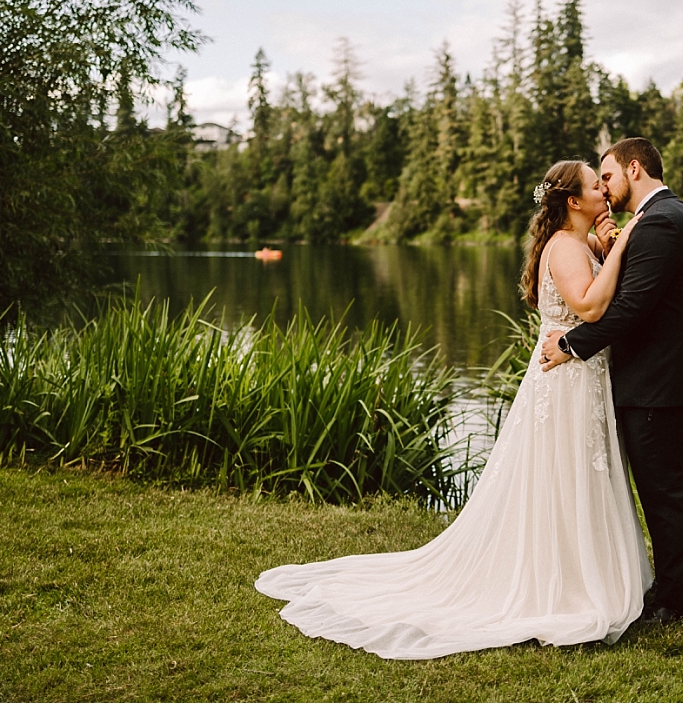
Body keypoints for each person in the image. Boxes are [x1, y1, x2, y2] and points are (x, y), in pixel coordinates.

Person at [255, 160, 650, 660]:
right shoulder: (567, 247)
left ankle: (580, 570)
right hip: (566, 381)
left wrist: (611, 239)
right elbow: (590, 307)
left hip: (578, 375)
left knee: (574, 474)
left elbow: (603, 274)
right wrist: (629, 235)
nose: (606, 191)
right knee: (563, 473)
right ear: (573, 201)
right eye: (597, 186)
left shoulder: (581, 241)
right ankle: (563, 583)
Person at [540, 137, 683, 625]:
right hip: (668, 377)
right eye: (597, 181)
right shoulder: (672, 214)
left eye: (609, 176)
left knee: (666, 492)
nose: (605, 186)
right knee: (667, 489)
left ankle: (680, 599)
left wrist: (572, 346)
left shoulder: (661, 221)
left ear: (634, 169)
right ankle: (680, 588)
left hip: (664, 381)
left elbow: (630, 308)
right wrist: (612, 239)